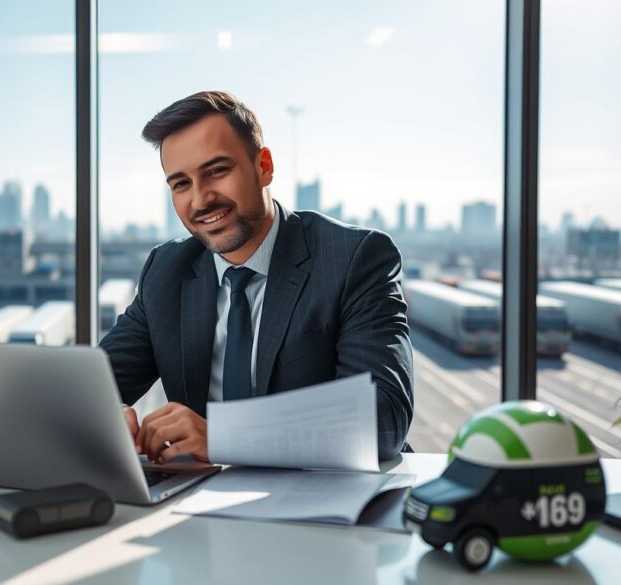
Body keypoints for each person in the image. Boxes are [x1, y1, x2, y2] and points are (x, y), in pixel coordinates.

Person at [99, 91, 413, 464]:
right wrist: (97, 415)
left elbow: (384, 419)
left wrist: (223, 437)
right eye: (181, 184)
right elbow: (87, 386)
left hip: (327, 500)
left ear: (263, 166)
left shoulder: (353, 258)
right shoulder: (167, 271)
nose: (201, 201)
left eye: (217, 171)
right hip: (198, 499)